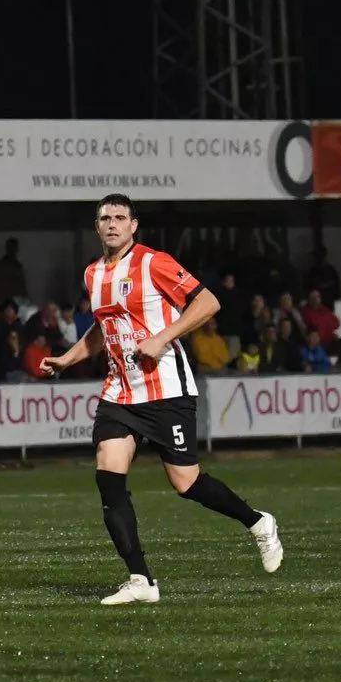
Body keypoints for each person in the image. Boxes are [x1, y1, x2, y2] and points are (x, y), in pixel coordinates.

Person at [39, 193, 282, 606]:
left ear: (134, 225)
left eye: (120, 217)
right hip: (120, 390)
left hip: (167, 389)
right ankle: (141, 579)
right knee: (108, 474)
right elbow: (101, 330)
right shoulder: (92, 274)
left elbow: (208, 302)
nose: (112, 223)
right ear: (97, 226)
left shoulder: (155, 263)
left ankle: (257, 522)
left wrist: (162, 337)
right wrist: (67, 358)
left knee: (186, 484)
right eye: (105, 218)